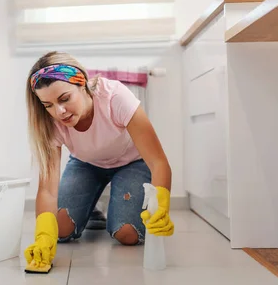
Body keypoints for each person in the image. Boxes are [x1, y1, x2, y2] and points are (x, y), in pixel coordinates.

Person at [24, 51, 174, 270]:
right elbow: (47, 190)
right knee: (61, 230)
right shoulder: (49, 122)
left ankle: (114, 205)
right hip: (86, 164)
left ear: (82, 83)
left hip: (131, 163)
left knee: (127, 233)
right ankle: (91, 208)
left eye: (64, 99)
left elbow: (158, 162)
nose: (59, 111)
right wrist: (43, 238)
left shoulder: (115, 97)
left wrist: (161, 205)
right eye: (48, 105)